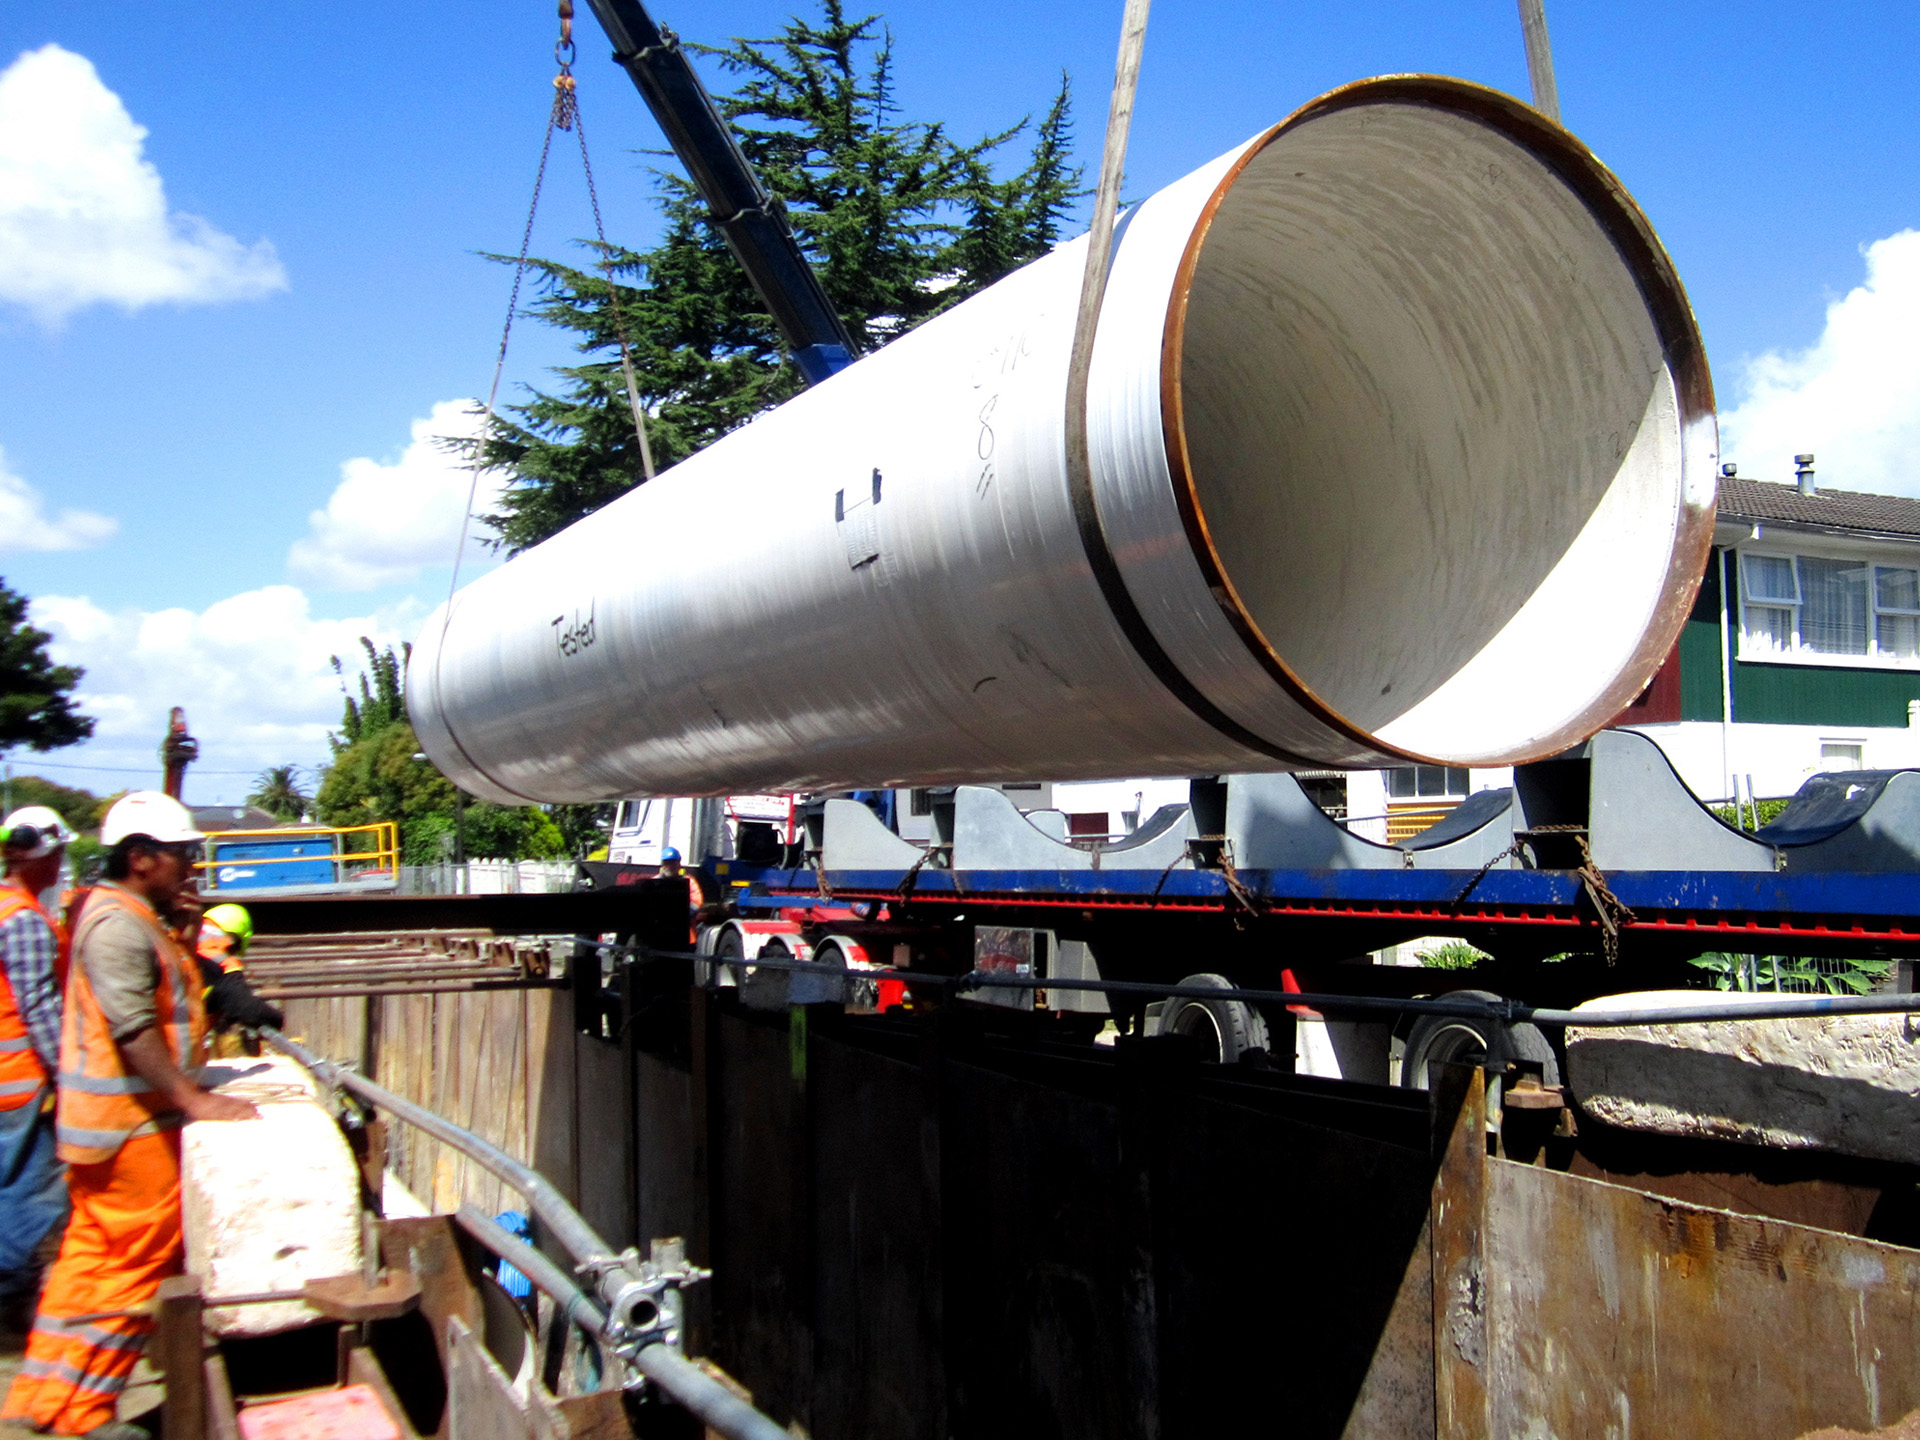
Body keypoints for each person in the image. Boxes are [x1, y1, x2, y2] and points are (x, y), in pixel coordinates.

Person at [2, 792, 256, 1440]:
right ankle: (84, 1419)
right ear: (141, 858)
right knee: (130, 1270)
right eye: (182, 856)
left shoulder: (127, 912)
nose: (192, 867)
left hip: (107, 1124)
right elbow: (132, 1027)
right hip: (131, 1129)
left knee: (88, 1265)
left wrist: (177, 924)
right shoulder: (116, 921)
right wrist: (195, 1099)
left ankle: (37, 1402)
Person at [0, 808, 78, 1333]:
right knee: (26, 1192)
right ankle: (10, 1308)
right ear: (42, 856)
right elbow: (39, 1006)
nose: (61, 866)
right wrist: (70, 1077)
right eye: (58, 855)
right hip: (17, 1078)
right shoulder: (24, 919)